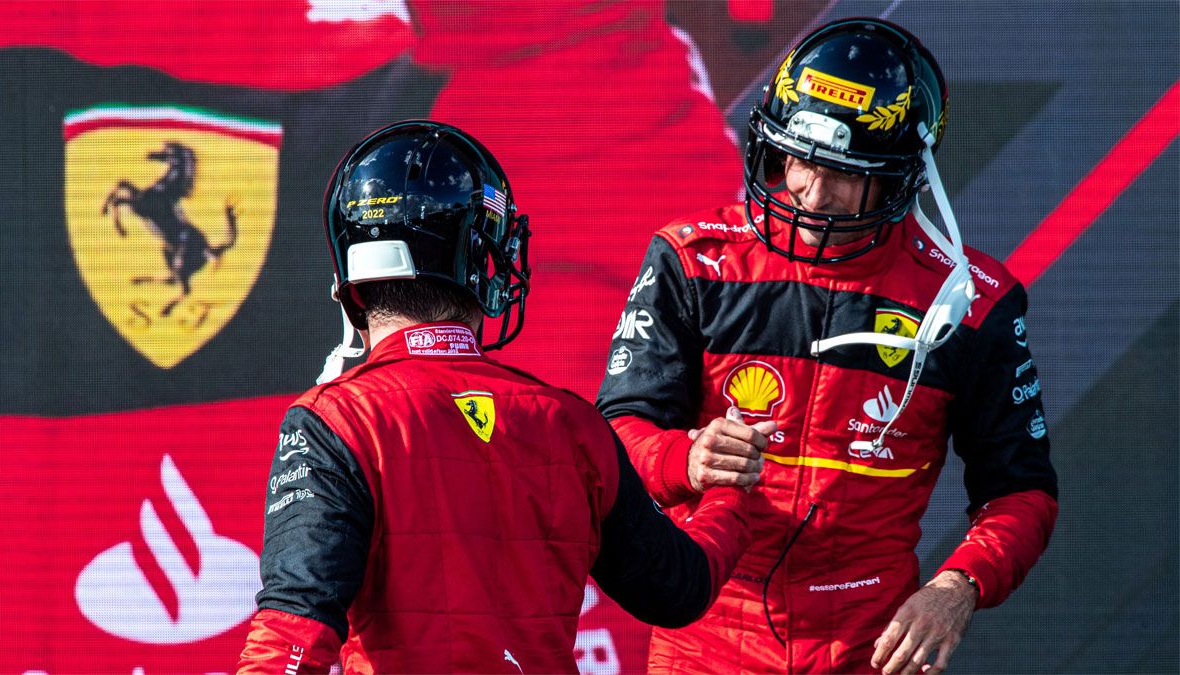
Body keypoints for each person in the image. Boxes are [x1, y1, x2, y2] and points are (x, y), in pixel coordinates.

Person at [596, 17, 1058, 675]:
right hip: (705, 644)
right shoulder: (694, 260)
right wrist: (684, 457)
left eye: (845, 172)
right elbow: (617, 432)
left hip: (871, 650)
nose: (813, 191)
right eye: (800, 157)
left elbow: (1022, 490)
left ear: (904, 175)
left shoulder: (973, 303)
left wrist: (960, 585)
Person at [237, 120, 764, 673]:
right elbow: (679, 588)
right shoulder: (572, 423)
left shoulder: (339, 418)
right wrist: (733, 490)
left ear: (352, 280)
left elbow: (293, 633)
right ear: (485, 260)